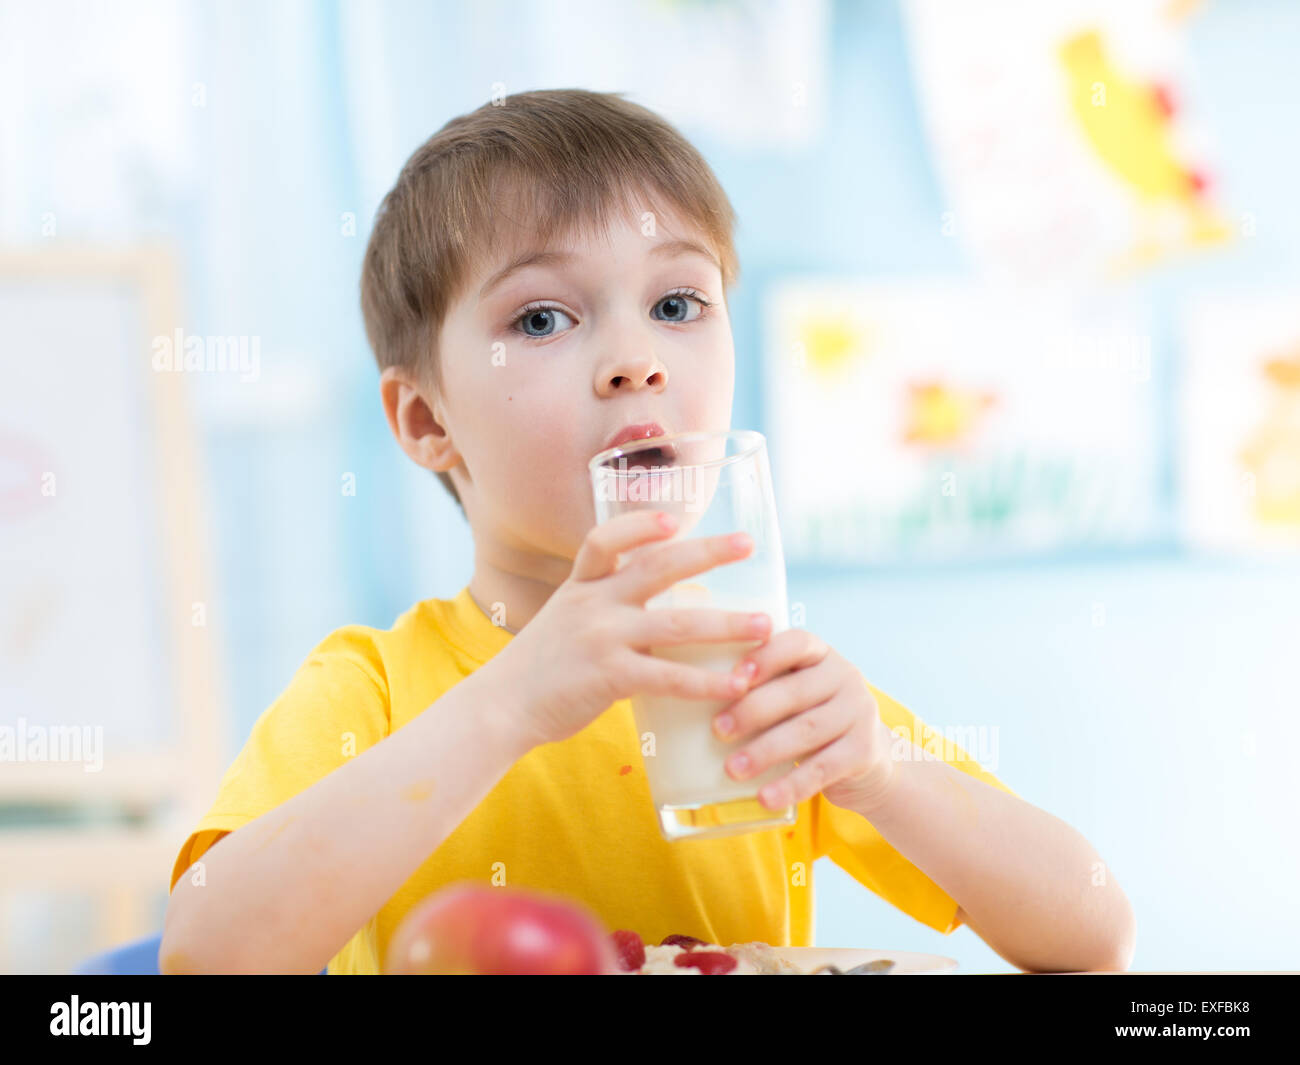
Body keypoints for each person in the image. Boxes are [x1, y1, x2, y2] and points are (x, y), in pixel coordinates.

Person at [160, 88, 1135, 975]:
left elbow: (1093, 934)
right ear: (426, 422)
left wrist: (879, 772)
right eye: (542, 318)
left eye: (676, 304)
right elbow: (205, 957)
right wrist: (509, 705)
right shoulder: (372, 688)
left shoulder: (753, 677)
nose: (635, 361)